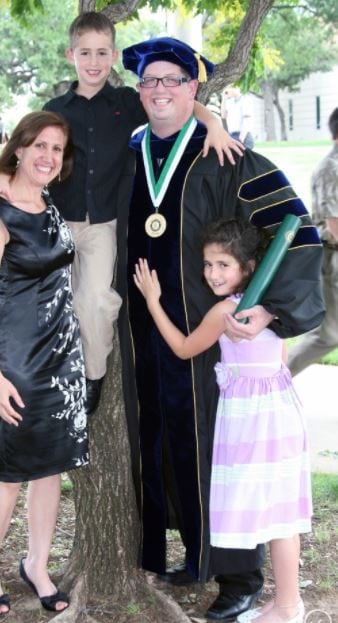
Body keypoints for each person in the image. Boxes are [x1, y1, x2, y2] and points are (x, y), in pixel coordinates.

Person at [120, 36, 324, 621]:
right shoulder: (130, 152)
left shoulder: (226, 156)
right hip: (147, 332)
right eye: (150, 81)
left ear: (192, 87)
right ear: (140, 91)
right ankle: (193, 555)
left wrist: (269, 309)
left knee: (221, 454)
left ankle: (241, 577)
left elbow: (296, 229)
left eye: (172, 81)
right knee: (163, 441)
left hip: (217, 341)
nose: (159, 90)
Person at [0, 12, 244, 417]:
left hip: (104, 225)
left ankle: (92, 375)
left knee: (96, 302)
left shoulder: (127, 103)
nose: (93, 61)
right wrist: (1, 174)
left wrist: (216, 125)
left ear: (114, 56)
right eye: (85, 52)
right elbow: (25, 144)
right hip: (59, 222)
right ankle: (39, 376)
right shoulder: (56, 107)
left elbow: (188, 107)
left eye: (102, 53)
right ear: (71, 55)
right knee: (47, 303)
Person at [134, 218, 311, 623]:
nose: (213, 273)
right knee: (278, 511)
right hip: (279, 413)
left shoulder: (226, 312)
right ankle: (284, 602)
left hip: (252, 424)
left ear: (247, 267)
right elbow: (280, 359)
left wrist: (152, 301)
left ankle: (288, 607)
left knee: (276, 516)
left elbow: (182, 348)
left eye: (223, 265)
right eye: (209, 264)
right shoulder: (271, 309)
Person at [0, 111, 88, 616]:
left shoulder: (46, 201)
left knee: (51, 470)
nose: (47, 157)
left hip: (63, 359)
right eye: (38, 145)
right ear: (17, 149)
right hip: (16, 363)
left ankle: (37, 564)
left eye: (56, 149)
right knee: (12, 470)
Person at [288, 107, 338, 376]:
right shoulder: (330, 169)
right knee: (327, 335)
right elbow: (335, 226)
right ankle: (277, 380)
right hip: (333, 259)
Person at [221, 85, 255, 149]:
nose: (226, 91)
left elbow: (247, 121)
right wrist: (224, 99)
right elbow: (223, 115)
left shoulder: (245, 99)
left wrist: (240, 140)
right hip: (233, 135)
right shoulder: (230, 101)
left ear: (235, 88)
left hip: (244, 137)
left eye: (228, 89)